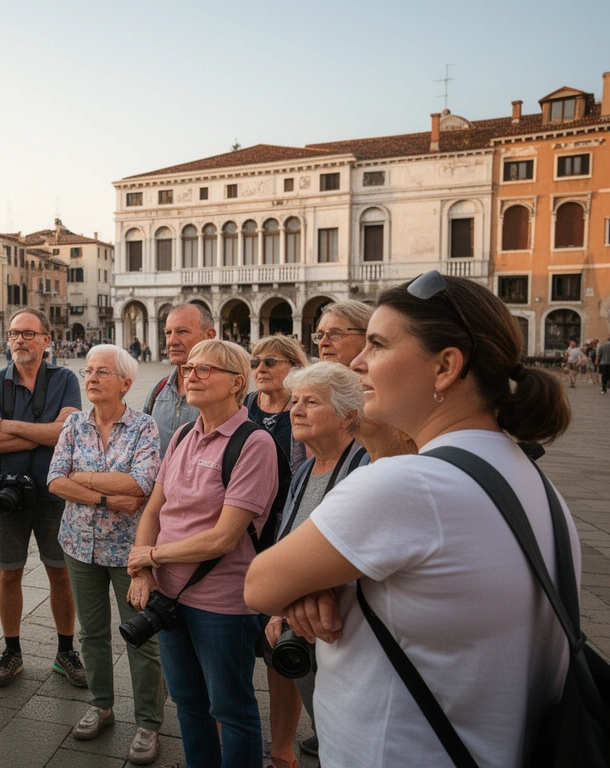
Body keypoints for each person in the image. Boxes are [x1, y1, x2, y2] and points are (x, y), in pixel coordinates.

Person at [246, 272, 578, 767]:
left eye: (377, 345)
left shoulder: (410, 485)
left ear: (445, 367)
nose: (357, 361)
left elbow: (259, 586)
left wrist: (311, 584)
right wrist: (324, 581)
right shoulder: (523, 475)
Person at [127, 338, 280, 768]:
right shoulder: (180, 435)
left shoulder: (253, 444)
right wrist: (142, 569)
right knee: (188, 703)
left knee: (231, 710)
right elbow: (154, 508)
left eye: (204, 369)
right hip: (169, 596)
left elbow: (223, 538)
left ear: (237, 382)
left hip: (221, 603)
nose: (190, 375)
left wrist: (151, 557)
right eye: (188, 368)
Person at [47, 344, 165, 765]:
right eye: (88, 371)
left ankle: (149, 722)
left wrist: (83, 478)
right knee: (91, 633)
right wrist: (102, 497)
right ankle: (101, 705)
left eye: (102, 372)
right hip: (79, 544)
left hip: (129, 552)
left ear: (125, 384)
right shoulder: (74, 424)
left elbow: (139, 484)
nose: (91, 378)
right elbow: (55, 481)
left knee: (141, 636)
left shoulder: (144, 427)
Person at [260, 362, 369, 768]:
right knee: (324, 720)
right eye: (295, 401)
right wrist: (277, 607)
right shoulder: (306, 469)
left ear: (349, 414)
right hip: (300, 630)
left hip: (345, 630)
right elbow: (286, 542)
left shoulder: (367, 468)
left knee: (352, 734)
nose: (296, 410)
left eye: (311, 402)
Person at [0, 308, 87, 689]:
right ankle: (12, 651)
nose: (20, 340)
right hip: (6, 495)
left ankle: (65, 651)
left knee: (61, 574)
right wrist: (47, 431)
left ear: (46, 340)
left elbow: (68, 433)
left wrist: (10, 426)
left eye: (28, 333)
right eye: (14, 334)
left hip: (55, 492)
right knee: (8, 573)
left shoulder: (66, 379)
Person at [314, 300, 415, 465]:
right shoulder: (315, 393)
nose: (324, 342)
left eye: (335, 333)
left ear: (368, 336)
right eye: (319, 336)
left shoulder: (389, 394)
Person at [142, 304, 217, 456]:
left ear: (209, 335)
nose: (172, 341)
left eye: (182, 331)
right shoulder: (159, 391)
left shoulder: (221, 392)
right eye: (168, 333)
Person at [246, 334, 310, 474]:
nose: (260, 369)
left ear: (295, 367)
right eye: (255, 363)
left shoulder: (307, 409)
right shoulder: (244, 404)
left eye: (270, 362)